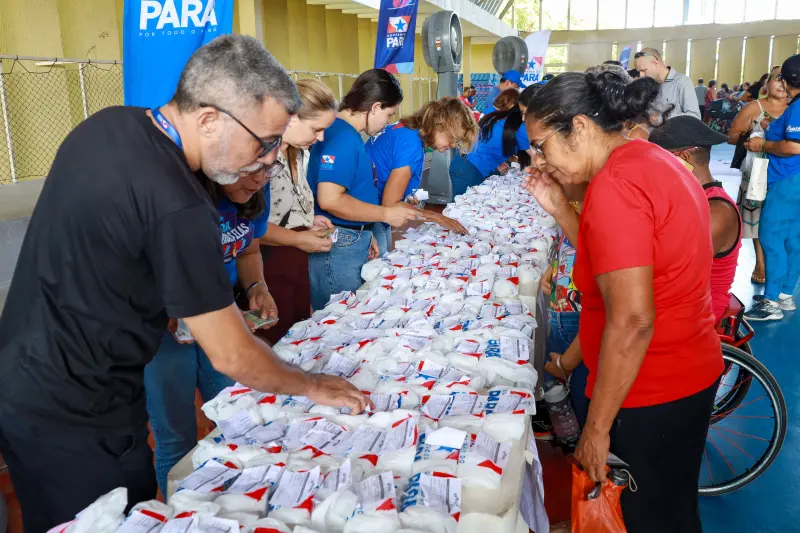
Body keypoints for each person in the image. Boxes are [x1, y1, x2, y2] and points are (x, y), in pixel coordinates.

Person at [0, 35, 370, 532]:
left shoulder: (110, 124)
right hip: (74, 405)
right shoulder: (177, 201)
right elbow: (231, 354)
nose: (265, 159)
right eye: (262, 143)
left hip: (33, 376)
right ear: (210, 119)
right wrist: (311, 385)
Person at [523, 71, 723, 533]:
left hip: (650, 387)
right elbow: (608, 264)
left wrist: (595, 428)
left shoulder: (616, 188)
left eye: (542, 144)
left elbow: (632, 319)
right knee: (671, 507)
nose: (539, 158)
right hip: (687, 372)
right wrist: (559, 205)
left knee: (642, 517)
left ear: (580, 127)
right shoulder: (650, 159)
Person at [145, 164, 276, 497]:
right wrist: (170, 308)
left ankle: (236, 506)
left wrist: (256, 287)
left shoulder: (257, 189)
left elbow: (248, 249)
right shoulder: (180, 196)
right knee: (175, 435)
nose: (260, 179)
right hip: (165, 330)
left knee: (237, 419)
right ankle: (184, 514)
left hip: (221, 315)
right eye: (251, 169)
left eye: (268, 169)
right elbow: (141, 266)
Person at [306, 69, 418, 310]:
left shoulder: (346, 133)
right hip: (338, 244)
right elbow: (330, 199)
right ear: (375, 107)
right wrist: (385, 215)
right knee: (341, 319)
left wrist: (366, 232)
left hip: (351, 235)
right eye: (389, 114)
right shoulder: (343, 137)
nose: (387, 122)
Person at [259, 79, 339, 344]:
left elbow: (286, 204)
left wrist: (307, 220)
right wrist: (297, 237)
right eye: (316, 129)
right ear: (291, 118)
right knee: (274, 340)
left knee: (297, 335)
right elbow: (250, 226)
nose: (321, 138)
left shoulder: (296, 153)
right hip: (267, 263)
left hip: (295, 260)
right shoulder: (259, 159)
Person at [649, 116, 742, 323]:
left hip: (697, 309)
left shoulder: (717, 210)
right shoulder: (685, 195)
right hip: (676, 298)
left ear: (684, 157)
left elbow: (677, 274)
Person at [366, 97, 478, 254]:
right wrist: (438, 218)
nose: (453, 145)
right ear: (439, 126)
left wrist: (405, 198)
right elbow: (390, 205)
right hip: (366, 217)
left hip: (370, 213)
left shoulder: (407, 131)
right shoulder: (411, 144)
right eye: (454, 138)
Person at [744, 54, 800, 321]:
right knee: (792, 238)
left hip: (789, 180)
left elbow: (794, 147)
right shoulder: (795, 106)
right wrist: (771, 127)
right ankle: (784, 294)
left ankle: (770, 302)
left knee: (770, 236)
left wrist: (761, 145)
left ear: (789, 80)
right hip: (794, 181)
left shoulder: (798, 107)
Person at [729, 68, 788, 285]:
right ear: (767, 84)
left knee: (784, 218)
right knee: (759, 218)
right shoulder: (755, 107)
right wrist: (753, 135)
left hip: (786, 171)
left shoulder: (794, 108)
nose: (781, 84)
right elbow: (732, 136)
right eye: (777, 79)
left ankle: (782, 263)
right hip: (757, 171)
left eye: (786, 80)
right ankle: (761, 263)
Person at [449, 104, 533, 198]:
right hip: (469, 167)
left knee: (468, 204)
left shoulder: (503, 118)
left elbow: (493, 146)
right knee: (463, 206)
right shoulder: (521, 126)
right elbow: (537, 158)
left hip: (465, 163)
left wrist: (498, 162)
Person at [634, 47, 701, 119]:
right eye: (639, 72)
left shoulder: (682, 82)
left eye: (644, 70)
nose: (641, 75)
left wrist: (661, 118)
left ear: (655, 63)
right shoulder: (649, 85)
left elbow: (694, 116)